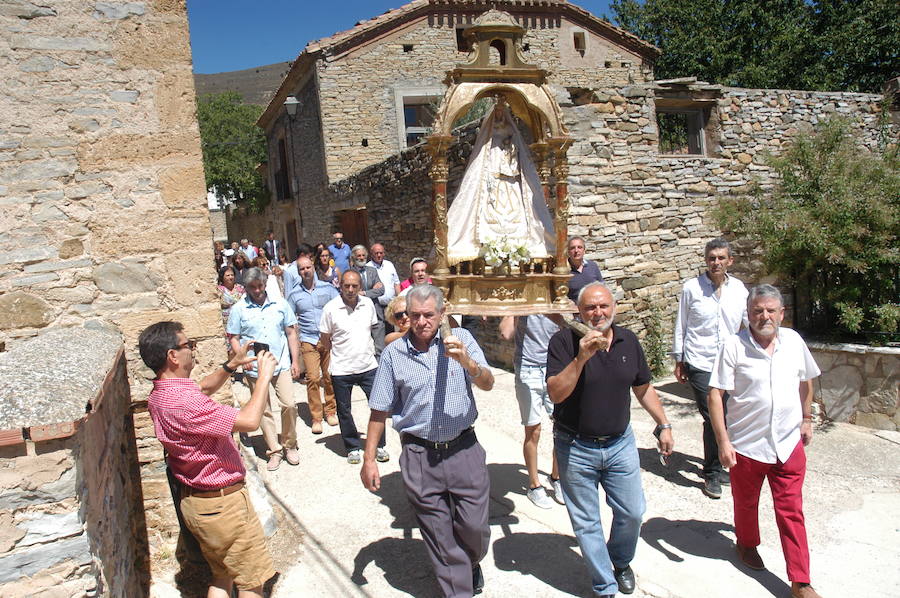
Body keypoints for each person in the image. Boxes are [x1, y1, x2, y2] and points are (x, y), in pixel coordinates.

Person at [361, 284, 495, 598]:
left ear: (442, 313)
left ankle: (471, 561)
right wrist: (369, 460)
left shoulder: (461, 341)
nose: (422, 322)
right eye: (415, 315)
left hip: (464, 450)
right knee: (440, 539)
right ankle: (458, 588)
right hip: (420, 455)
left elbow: (487, 383)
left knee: (474, 530)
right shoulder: (394, 354)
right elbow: (379, 410)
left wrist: (468, 364)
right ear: (406, 316)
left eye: (428, 315)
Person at [546, 282, 674, 597]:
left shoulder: (628, 341)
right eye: (590, 307)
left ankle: (619, 560)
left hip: (619, 444)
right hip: (575, 446)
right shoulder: (563, 342)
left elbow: (642, 387)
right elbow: (555, 392)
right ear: (579, 310)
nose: (598, 313)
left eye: (603, 306)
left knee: (632, 511)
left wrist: (664, 423)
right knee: (587, 522)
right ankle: (605, 585)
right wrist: (581, 358)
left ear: (613, 308)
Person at [138, 320, 277, 598]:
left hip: (198, 505)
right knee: (251, 583)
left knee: (221, 574)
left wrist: (230, 365)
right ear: (172, 356)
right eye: (188, 345)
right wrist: (263, 377)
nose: (193, 350)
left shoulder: (162, 394)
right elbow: (249, 421)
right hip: (224, 506)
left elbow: (201, 389)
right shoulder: (185, 403)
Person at [708, 285, 823, 598]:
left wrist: (807, 419)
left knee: (791, 511)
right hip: (747, 446)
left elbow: (806, 380)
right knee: (746, 503)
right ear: (748, 315)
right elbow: (716, 394)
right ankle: (746, 544)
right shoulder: (734, 346)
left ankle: (801, 582)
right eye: (758, 311)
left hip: (788, 444)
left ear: (782, 314)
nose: (764, 316)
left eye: (771, 310)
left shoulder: (794, 342)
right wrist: (723, 442)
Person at [672, 238, 748, 499]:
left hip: (729, 361)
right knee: (712, 415)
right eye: (711, 258)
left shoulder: (739, 290)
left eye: (721, 258)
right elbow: (681, 324)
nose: (716, 262)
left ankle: (720, 462)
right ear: (706, 260)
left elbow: (748, 324)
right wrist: (679, 359)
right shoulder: (692, 288)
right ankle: (712, 473)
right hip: (700, 360)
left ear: (730, 261)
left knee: (726, 414)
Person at [227, 267, 302, 471]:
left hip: (280, 363)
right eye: (252, 287)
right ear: (247, 288)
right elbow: (233, 337)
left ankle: (290, 444)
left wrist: (296, 361)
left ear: (265, 283)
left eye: (260, 286)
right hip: (254, 367)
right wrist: (242, 359)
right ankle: (274, 450)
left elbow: (291, 333)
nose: (257, 290)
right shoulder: (239, 309)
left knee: (289, 404)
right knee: (263, 410)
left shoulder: (280, 304)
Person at [318, 270, 387, 464]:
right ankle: (353, 446)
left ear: (360, 287)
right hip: (342, 369)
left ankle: (379, 445)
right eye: (346, 285)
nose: (350, 290)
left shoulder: (367, 305)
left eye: (354, 286)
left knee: (377, 407)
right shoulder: (330, 308)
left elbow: (374, 330)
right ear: (340, 285)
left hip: (368, 365)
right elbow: (325, 339)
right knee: (344, 410)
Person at [499, 314, 563, 509]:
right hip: (528, 368)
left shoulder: (555, 296)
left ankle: (556, 477)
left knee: (562, 427)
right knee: (533, 429)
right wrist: (517, 311)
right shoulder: (523, 301)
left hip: (555, 366)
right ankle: (534, 485)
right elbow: (506, 332)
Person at [287, 256, 340, 435]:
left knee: (329, 376)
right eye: (302, 269)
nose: (305, 271)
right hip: (308, 340)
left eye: (308, 267)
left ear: (313, 267)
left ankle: (331, 410)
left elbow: (339, 308)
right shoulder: (294, 295)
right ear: (298, 272)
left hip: (327, 339)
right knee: (312, 377)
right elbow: (289, 320)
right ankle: (316, 417)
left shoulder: (328, 288)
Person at [349, 245, 386, 357]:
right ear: (353, 257)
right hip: (358, 315)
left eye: (363, 255)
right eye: (358, 255)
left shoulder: (372, 271)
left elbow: (381, 290)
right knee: (363, 348)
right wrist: (371, 291)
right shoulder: (350, 274)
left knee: (380, 348)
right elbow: (352, 293)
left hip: (376, 314)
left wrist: (364, 293)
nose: (361, 258)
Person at [367, 242, 401, 318]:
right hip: (376, 307)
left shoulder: (389, 265)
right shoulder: (368, 267)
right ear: (371, 254)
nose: (379, 255)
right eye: (376, 253)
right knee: (379, 329)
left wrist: (399, 299)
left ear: (384, 254)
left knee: (392, 328)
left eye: (381, 253)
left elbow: (396, 283)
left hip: (390, 305)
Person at [566, 236, 604, 303]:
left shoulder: (593, 266)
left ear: (584, 251)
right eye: (572, 248)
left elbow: (602, 288)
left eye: (579, 247)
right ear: (568, 251)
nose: (576, 251)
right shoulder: (564, 271)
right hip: (574, 311)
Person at [217, 266, 245, 338]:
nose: (230, 277)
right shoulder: (219, 290)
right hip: (226, 322)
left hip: (241, 320)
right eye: (227, 275)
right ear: (222, 277)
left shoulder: (240, 288)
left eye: (232, 275)